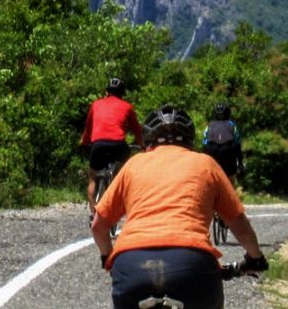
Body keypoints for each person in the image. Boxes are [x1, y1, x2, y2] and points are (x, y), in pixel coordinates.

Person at [92, 105, 268, 309]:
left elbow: (98, 226)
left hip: (132, 264)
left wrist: (108, 258)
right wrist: (255, 258)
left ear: (148, 140)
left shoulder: (134, 164)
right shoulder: (206, 164)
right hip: (191, 263)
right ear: (189, 140)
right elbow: (238, 223)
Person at [81, 77, 143, 209]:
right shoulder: (127, 107)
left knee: (92, 178)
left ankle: (93, 211)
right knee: (122, 172)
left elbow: (88, 128)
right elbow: (137, 131)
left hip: (98, 145)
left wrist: (85, 142)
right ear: (122, 93)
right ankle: (117, 185)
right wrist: (142, 145)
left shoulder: (96, 104)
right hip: (118, 145)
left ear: (107, 92)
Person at [201, 103, 242, 182]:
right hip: (227, 152)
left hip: (211, 151)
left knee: (211, 175)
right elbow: (237, 143)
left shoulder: (209, 125)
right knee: (230, 179)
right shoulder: (232, 125)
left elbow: (205, 142)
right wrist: (240, 162)